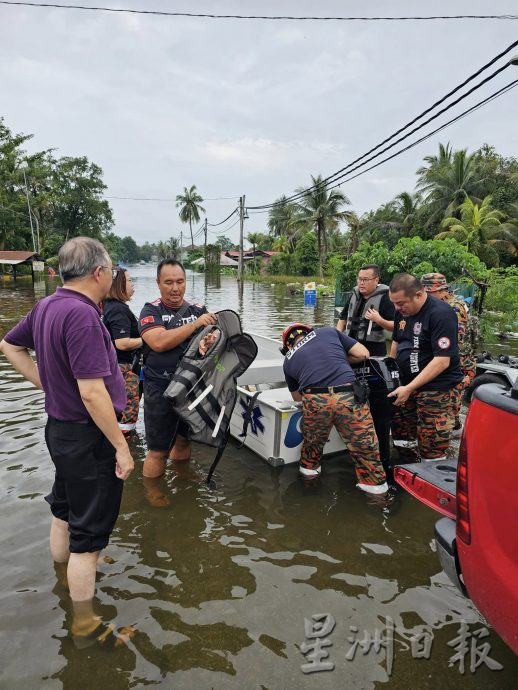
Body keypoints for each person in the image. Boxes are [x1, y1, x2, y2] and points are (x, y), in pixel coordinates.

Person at [0, 237, 134, 642]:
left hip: (60, 430)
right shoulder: (82, 315)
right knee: (88, 539)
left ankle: (67, 577)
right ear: (98, 272)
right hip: (88, 436)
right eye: (110, 269)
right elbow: (93, 393)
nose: (111, 276)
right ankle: (85, 623)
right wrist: (122, 447)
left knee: (64, 511)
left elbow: (9, 345)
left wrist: (48, 385)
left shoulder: (47, 306)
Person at [282, 323, 388, 494]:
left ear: (288, 345)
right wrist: (337, 358)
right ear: (309, 331)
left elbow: (297, 398)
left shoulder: (287, 360)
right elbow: (363, 354)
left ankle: (308, 488)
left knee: (312, 449)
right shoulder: (328, 332)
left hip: (314, 399)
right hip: (347, 395)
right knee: (365, 450)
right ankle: (377, 496)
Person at [138, 258, 216, 478]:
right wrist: (195, 325)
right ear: (158, 283)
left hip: (190, 388)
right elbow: (159, 342)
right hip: (160, 388)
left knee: (183, 441)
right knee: (157, 450)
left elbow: (214, 338)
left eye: (180, 281)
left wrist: (209, 341)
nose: (175, 288)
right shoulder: (150, 310)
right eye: (169, 282)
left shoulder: (198, 309)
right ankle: (152, 495)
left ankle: (183, 481)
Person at [388, 273, 464, 463]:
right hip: (405, 385)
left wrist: (410, 387)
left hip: (435, 388)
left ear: (419, 295)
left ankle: (433, 475)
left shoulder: (441, 314)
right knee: (402, 436)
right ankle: (407, 470)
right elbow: (396, 343)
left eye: (402, 303)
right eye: (394, 303)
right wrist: (390, 372)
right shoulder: (401, 312)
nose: (397, 308)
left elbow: (442, 361)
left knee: (432, 441)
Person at [336, 264, 395, 473]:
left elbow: (397, 326)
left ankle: (380, 451)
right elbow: (343, 319)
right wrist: (336, 338)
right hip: (350, 353)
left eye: (366, 279)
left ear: (376, 280)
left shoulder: (385, 297)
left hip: (373, 356)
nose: (361, 283)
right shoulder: (353, 294)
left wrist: (379, 320)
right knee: (350, 396)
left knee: (376, 401)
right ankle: (352, 439)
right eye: (359, 278)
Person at [421, 273, 477, 431]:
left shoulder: (452, 308)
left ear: (440, 291)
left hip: (458, 359)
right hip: (453, 356)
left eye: (428, 292)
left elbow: (455, 340)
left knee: (452, 399)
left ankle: (450, 432)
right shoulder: (444, 304)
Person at [102, 267, 143, 436]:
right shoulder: (118, 309)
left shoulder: (109, 306)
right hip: (123, 368)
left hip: (113, 366)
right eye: (130, 280)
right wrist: (149, 339)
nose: (133, 284)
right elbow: (122, 343)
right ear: (119, 285)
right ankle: (125, 448)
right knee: (127, 410)